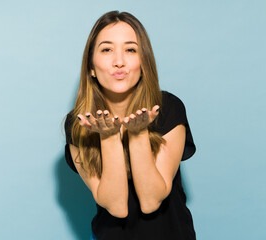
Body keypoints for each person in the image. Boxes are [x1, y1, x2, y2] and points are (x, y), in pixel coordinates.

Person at [64, 10, 196, 240]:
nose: (119, 61)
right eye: (106, 49)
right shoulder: (79, 124)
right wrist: (108, 138)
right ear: (91, 68)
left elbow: (150, 201)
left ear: (143, 63)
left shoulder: (168, 108)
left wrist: (137, 134)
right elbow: (116, 207)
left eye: (130, 49)